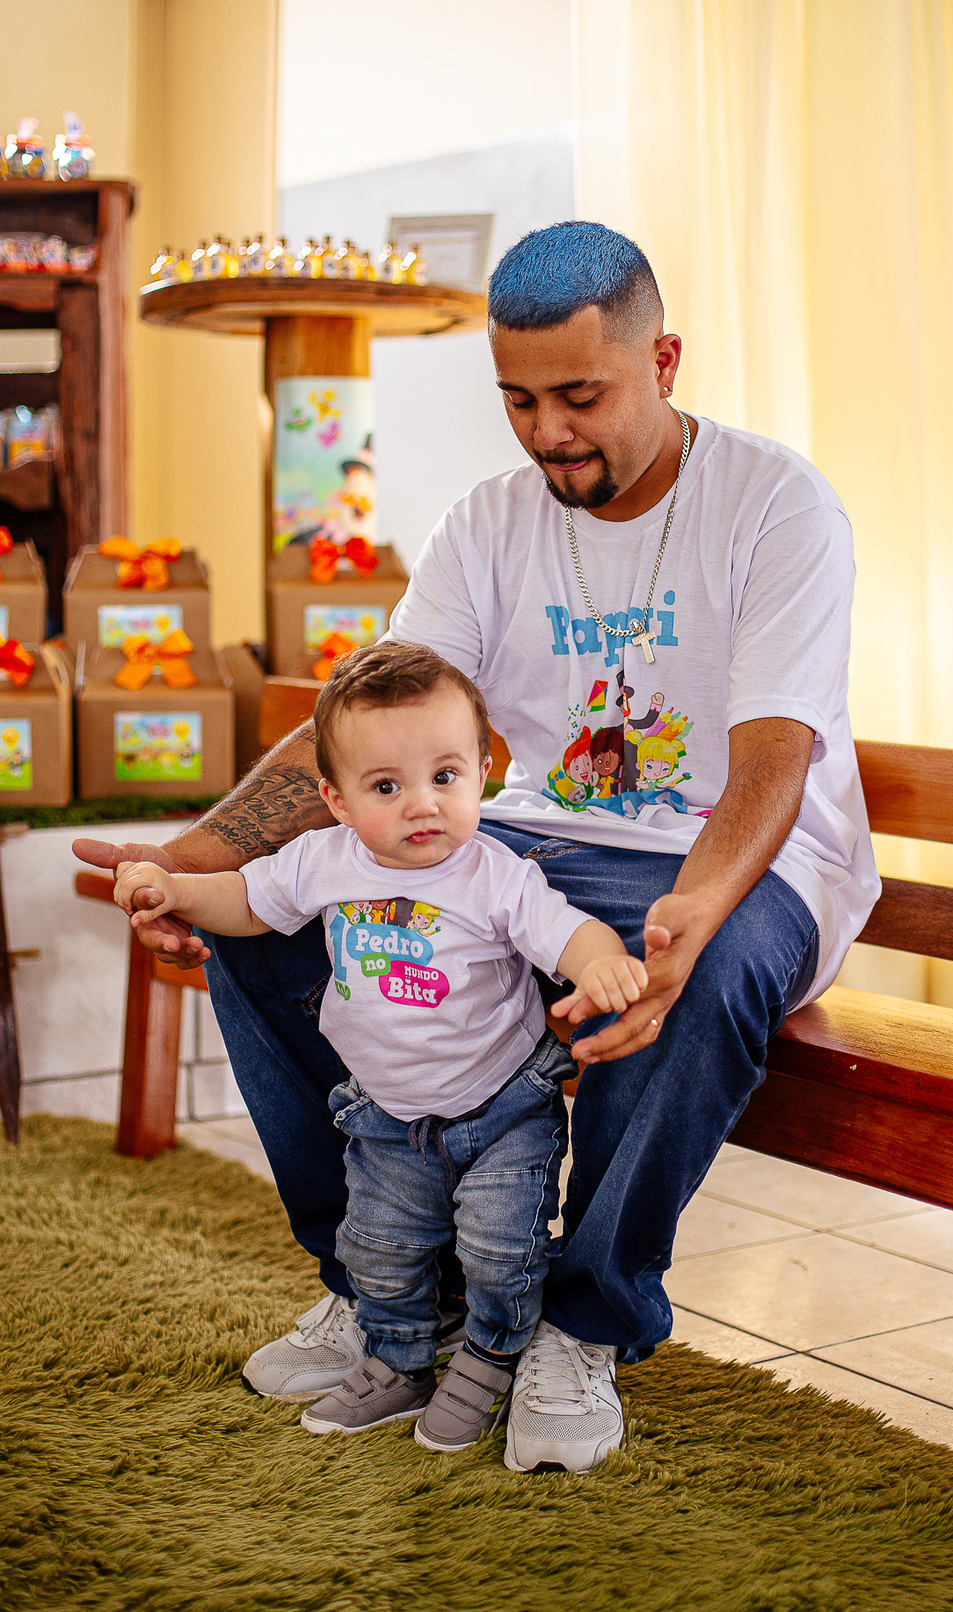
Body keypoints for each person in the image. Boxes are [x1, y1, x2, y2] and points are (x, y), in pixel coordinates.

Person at [76, 219, 879, 1476]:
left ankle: (582, 1320)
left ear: (663, 361)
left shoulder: (777, 505)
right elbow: (363, 728)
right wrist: (191, 863)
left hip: (734, 857)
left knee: (703, 971)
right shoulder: (488, 523)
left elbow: (777, 750)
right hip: (518, 845)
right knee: (269, 933)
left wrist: (695, 906)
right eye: (518, 399)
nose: (548, 432)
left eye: (580, 396)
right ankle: (391, 1288)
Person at [111, 642, 652, 1462]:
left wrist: (602, 963)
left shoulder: (493, 875)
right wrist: (177, 887)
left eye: (445, 776)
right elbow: (248, 900)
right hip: (387, 1118)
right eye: (387, 787)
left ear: (484, 772)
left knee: (500, 1252)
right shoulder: (323, 861)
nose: (421, 805)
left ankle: (490, 1359)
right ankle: (398, 1362)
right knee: (379, 1250)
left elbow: (565, 931)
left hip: (501, 1112)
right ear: (335, 798)